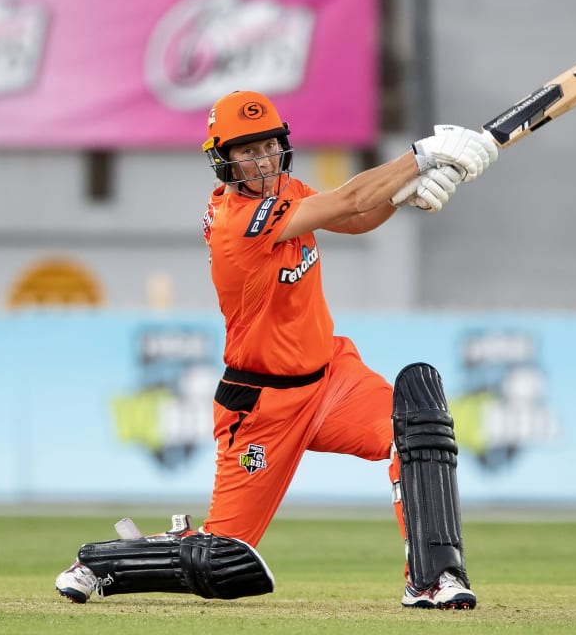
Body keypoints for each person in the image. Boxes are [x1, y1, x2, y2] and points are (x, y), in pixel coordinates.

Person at [54, 90, 498, 609]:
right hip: (262, 405)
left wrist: (405, 194)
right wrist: (420, 157)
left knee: (415, 426)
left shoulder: (287, 191)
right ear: (224, 160)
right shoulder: (236, 223)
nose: (261, 159)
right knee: (222, 558)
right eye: (246, 151)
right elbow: (352, 199)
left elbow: (355, 218)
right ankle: (103, 563)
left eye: (267, 145)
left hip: (333, 377)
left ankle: (433, 578)